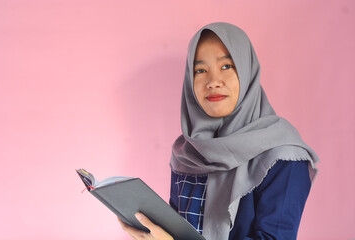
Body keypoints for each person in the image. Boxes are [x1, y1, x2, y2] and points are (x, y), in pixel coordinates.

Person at [118, 22, 319, 240]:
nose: (213, 82)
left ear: (247, 70)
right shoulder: (187, 152)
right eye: (200, 70)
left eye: (226, 66)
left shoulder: (283, 157)